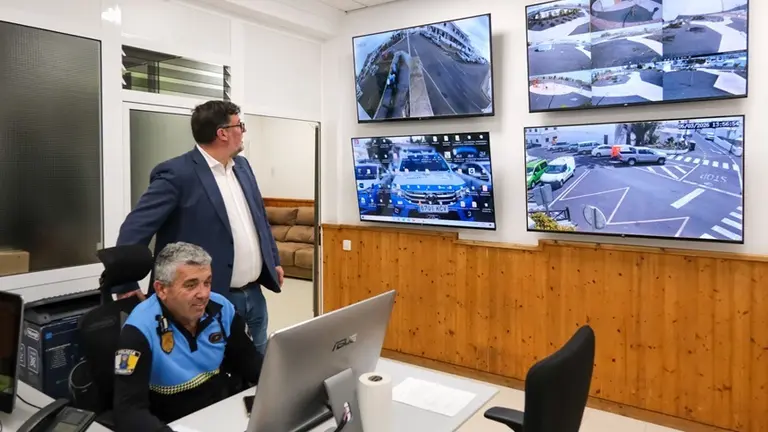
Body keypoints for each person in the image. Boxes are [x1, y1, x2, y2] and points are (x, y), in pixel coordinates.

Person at [115, 100, 283, 354]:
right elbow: (134, 230)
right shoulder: (177, 174)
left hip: (254, 295)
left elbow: (259, 219)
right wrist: (126, 284)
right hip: (207, 299)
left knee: (258, 366)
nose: (243, 131)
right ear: (222, 133)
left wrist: (274, 260)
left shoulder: (243, 168)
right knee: (215, 370)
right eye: (240, 125)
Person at [113, 242, 263, 432]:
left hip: (221, 411)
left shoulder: (222, 308)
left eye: (207, 282)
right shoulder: (139, 330)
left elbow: (251, 364)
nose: (204, 294)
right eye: (191, 285)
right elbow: (128, 411)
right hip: (173, 420)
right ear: (161, 290)